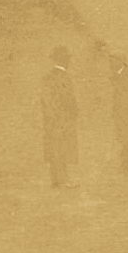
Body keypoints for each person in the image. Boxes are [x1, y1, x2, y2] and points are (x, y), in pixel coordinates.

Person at [41, 45, 79, 188]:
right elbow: (54, 100)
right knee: (60, 150)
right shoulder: (60, 77)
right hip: (60, 120)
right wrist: (63, 116)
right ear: (62, 60)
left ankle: (58, 180)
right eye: (67, 58)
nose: (69, 61)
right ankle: (62, 181)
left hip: (55, 120)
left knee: (57, 150)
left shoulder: (50, 77)